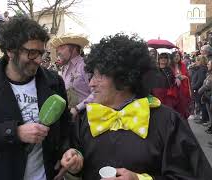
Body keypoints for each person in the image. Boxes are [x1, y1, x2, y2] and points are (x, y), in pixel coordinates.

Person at [60, 33, 212, 179]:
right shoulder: (85, 119)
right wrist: (75, 163)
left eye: (99, 76)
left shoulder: (167, 122)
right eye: (92, 75)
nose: (91, 83)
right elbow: (77, 160)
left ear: (124, 79)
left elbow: (192, 174)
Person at [0, 16, 71, 180]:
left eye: (41, 53)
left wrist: (67, 152)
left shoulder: (54, 82)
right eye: (31, 53)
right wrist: (14, 132)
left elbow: (65, 127)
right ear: (10, 50)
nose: (38, 60)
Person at [50, 34, 93, 120]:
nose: (58, 51)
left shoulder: (84, 65)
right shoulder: (64, 68)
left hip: (88, 117)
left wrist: (77, 108)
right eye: (58, 48)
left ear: (73, 49)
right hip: (72, 118)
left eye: (62, 47)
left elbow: (97, 93)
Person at [170, 51, 191, 119]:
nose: (177, 57)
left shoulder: (183, 65)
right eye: (175, 56)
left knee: (182, 107)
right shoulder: (169, 66)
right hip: (173, 90)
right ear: (172, 57)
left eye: (178, 55)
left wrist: (184, 77)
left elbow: (187, 76)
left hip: (183, 89)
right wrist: (175, 77)